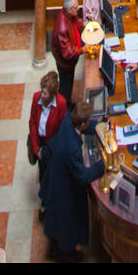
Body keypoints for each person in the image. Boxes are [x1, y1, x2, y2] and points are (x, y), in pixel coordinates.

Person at [40, 100, 105, 262]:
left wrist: (100, 126)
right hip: (63, 190)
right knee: (66, 225)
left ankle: (55, 245)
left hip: (53, 177)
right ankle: (66, 254)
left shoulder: (69, 119)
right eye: (88, 121)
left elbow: (84, 125)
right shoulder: (72, 150)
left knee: (55, 220)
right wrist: (103, 165)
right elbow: (82, 176)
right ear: (82, 124)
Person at [28, 71, 66, 221]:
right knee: (44, 175)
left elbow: (60, 130)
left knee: (52, 174)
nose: (41, 95)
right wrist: (36, 148)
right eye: (41, 91)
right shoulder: (36, 98)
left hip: (52, 145)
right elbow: (32, 122)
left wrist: (49, 150)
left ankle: (50, 202)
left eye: (45, 93)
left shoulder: (61, 104)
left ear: (52, 94)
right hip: (40, 142)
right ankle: (45, 203)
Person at [51, 0, 83, 107]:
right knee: (65, 86)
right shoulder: (62, 27)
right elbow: (67, 52)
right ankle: (64, 109)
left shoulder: (68, 14)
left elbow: (76, 21)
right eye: (76, 8)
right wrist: (83, 49)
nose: (78, 9)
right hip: (65, 64)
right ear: (69, 9)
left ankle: (68, 102)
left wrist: (85, 24)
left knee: (69, 84)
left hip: (71, 61)